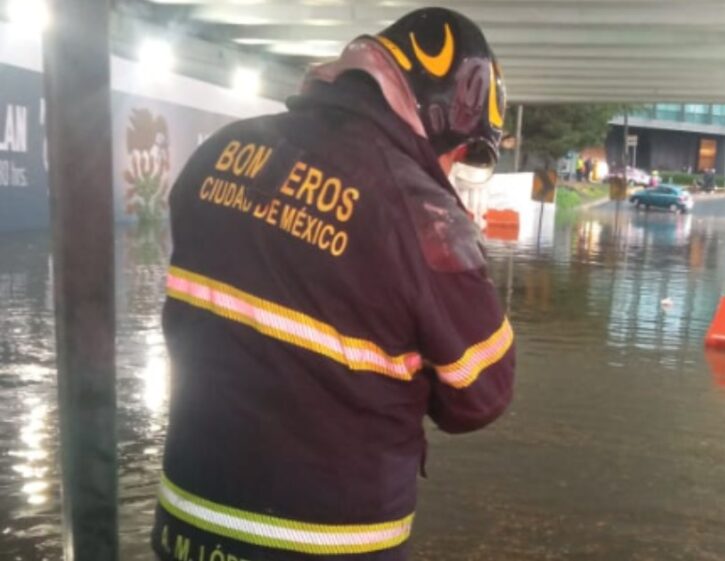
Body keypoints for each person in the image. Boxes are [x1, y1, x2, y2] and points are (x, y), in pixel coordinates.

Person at [151, 8, 516, 561]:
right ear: (445, 122)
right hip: (322, 542)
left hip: (185, 521)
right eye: (464, 152)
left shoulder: (219, 152)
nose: (453, 167)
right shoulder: (421, 213)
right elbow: (484, 390)